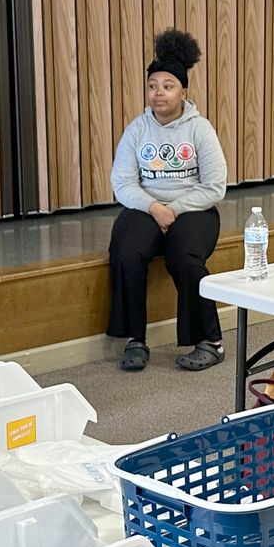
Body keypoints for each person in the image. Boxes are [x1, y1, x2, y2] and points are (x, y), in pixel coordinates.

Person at [107, 28, 229, 372]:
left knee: (184, 256)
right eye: (152, 86)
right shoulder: (136, 129)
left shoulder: (200, 128)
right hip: (147, 206)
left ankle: (210, 340)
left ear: (183, 92)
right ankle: (135, 339)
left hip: (193, 206)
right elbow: (123, 183)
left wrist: (173, 209)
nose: (158, 93)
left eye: (167, 86)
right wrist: (154, 207)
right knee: (126, 251)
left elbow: (215, 186)